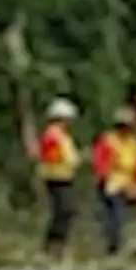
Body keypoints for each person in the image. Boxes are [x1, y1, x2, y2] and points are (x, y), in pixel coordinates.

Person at [92, 105, 136, 255]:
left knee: (122, 216)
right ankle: (113, 247)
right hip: (111, 183)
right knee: (115, 216)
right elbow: (99, 162)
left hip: (127, 184)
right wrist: (103, 178)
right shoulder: (108, 140)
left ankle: (118, 244)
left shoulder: (133, 143)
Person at [37, 98, 81, 255]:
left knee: (65, 210)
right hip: (56, 177)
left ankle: (56, 243)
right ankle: (54, 244)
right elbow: (54, 156)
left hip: (64, 177)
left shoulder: (62, 135)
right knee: (64, 210)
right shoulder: (53, 135)